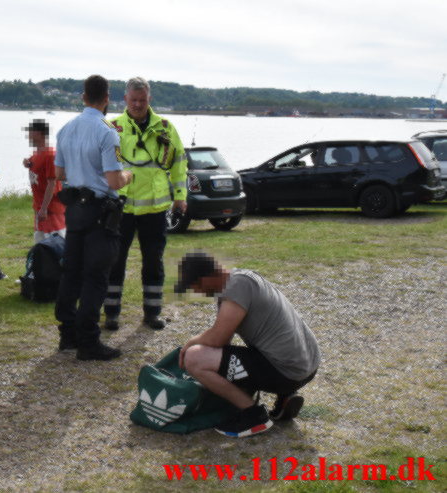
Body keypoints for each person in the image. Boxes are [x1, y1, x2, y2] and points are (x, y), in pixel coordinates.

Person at [175, 251, 320, 438]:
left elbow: (218, 338)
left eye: (195, 286)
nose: (196, 293)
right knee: (226, 361)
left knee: (194, 358)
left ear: (207, 277)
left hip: (287, 371)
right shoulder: (242, 278)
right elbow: (223, 344)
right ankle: (285, 395)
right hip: (306, 365)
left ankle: (253, 416)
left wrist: (190, 343)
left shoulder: (236, 287)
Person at [54, 75, 132, 361]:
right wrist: (129, 174)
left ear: (84, 96)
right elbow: (113, 180)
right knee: (96, 277)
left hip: (74, 211)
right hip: (100, 212)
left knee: (71, 273)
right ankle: (89, 342)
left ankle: (67, 334)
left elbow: (60, 174)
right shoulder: (106, 131)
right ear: (106, 98)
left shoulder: (65, 130)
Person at [103, 77, 188, 332]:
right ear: (125, 100)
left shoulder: (165, 128)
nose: (138, 105)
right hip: (122, 209)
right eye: (133, 100)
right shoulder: (112, 127)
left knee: (154, 263)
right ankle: (111, 314)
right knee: (114, 263)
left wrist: (180, 195)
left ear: (149, 99)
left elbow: (179, 163)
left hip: (154, 210)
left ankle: (152, 313)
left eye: (142, 100)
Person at [22, 119, 66, 243]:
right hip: (39, 208)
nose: (28, 134)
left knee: (56, 243)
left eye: (31, 131)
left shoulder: (50, 155)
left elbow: (52, 183)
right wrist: (27, 163)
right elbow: (36, 168)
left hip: (51, 210)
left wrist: (44, 209)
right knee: (41, 243)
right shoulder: (37, 154)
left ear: (39, 133)